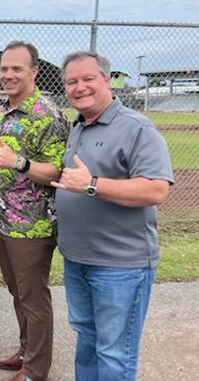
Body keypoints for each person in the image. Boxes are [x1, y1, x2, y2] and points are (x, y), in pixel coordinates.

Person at [53, 51, 174, 381]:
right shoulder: (79, 127)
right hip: (78, 260)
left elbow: (156, 190)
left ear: (107, 81)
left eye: (88, 79)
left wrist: (91, 184)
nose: (79, 87)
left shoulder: (136, 128)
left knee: (114, 353)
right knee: (88, 342)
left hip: (120, 266)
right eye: (71, 82)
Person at [0, 41, 70, 381]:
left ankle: (36, 370)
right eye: (4, 69)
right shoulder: (3, 112)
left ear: (34, 71)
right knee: (17, 291)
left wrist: (20, 162)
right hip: (5, 221)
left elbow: (57, 172)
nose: (8, 75)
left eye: (16, 69)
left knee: (33, 297)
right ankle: (25, 350)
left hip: (32, 227)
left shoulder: (46, 114)